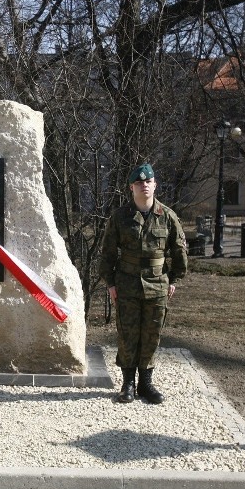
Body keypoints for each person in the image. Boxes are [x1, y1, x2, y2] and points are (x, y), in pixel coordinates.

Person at [100, 163, 188, 404]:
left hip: (158, 283)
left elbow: (179, 250)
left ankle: (145, 383)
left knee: (151, 334)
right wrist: (110, 283)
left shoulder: (167, 216)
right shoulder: (120, 217)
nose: (144, 185)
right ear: (132, 187)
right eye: (139, 182)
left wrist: (174, 279)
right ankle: (127, 383)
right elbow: (107, 253)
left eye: (148, 181)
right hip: (126, 284)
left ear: (155, 185)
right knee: (128, 334)